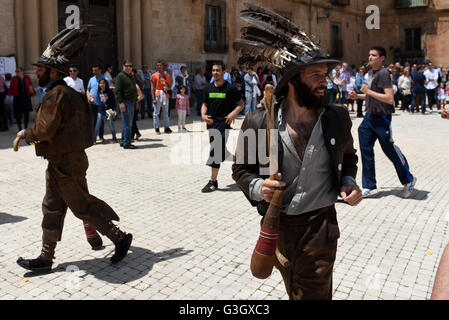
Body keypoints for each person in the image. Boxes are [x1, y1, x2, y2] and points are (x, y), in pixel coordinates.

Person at [233, 5, 361, 299]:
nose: (324, 80)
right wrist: (258, 187)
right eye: (315, 74)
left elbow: (349, 158)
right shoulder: (257, 121)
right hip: (277, 227)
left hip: (320, 228)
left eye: (325, 74)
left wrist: (348, 182)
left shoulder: (337, 118)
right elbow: (240, 170)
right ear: (291, 81)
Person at [15, 26, 132, 272]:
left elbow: (44, 130)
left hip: (66, 161)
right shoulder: (69, 93)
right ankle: (46, 257)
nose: (36, 72)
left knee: (82, 207)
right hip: (64, 159)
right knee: (52, 206)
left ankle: (120, 238)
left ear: (51, 71)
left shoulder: (55, 95)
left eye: (40, 68)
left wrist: (26, 135)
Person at [349, 46, 416, 198]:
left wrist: (367, 92)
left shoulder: (384, 73)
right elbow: (373, 96)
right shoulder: (371, 73)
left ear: (382, 58)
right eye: (369, 54)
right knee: (365, 150)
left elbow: (389, 98)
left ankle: (409, 179)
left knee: (389, 150)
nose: (370, 57)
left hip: (382, 118)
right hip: (369, 117)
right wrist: (358, 96)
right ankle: (369, 185)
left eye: (373, 55)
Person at [201, 62, 244, 193]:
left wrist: (232, 114)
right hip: (211, 125)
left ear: (224, 72)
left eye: (218, 70)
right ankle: (242, 161)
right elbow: (204, 104)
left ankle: (213, 181)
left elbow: (241, 104)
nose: (215, 72)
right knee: (221, 152)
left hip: (224, 125)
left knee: (215, 151)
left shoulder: (230, 88)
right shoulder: (208, 88)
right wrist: (203, 115)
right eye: (213, 70)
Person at [115, 60, 139, 149]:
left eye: (130, 66)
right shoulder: (120, 76)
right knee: (128, 124)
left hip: (132, 102)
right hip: (125, 102)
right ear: (123, 66)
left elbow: (134, 89)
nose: (128, 67)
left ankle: (123, 141)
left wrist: (136, 100)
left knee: (127, 123)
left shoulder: (131, 76)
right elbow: (117, 91)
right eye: (127, 66)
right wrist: (121, 102)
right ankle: (127, 143)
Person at [86, 65, 109, 143]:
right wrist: (88, 97)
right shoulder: (91, 79)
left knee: (100, 120)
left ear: (100, 70)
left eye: (95, 70)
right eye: (93, 70)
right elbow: (88, 90)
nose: (94, 72)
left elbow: (108, 90)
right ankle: (93, 137)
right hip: (92, 103)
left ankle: (101, 136)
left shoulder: (105, 79)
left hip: (101, 104)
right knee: (93, 120)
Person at [151, 61, 173, 134]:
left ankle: (166, 127)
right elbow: (152, 87)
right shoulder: (154, 75)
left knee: (166, 112)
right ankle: (157, 128)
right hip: (158, 94)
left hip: (165, 94)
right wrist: (153, 98)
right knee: (156, 112)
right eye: (158, 65)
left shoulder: (167, 76)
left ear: (163, 66)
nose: (159, 67)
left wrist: (167, 88)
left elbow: (169, 85)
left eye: (160, 65)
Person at [94, 79, 117, 143]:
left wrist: (114, 110)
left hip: (109, 110)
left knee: (111, 124)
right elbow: (99, 101)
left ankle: (114, 138)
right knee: (98, 124)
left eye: (103, 83)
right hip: (101, 109)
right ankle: (94, 139)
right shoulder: (99, 91)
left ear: (106, 84)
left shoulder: (109, 91)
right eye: (100, 83)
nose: (102, 85)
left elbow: (113, 101)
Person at [131, 68, 143, 142]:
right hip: (131, 103)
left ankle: (132, 136)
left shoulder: (136, 83)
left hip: (135, 103)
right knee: (132, 121)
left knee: (133, 120)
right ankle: (137, 133)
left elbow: (140, 96)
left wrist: (136, 101)